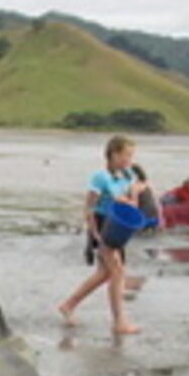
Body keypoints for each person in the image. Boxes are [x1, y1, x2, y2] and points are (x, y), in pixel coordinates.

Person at [58, 135, 143, 335]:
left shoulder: (128, 175)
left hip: (118, 226)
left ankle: (68, 305)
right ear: (113, 154)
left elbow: (133, 203)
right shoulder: (100, 177)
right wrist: (93, 232)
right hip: (102, 225)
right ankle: (119, 322)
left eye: (131, 155)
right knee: (118, 272)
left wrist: (134, 194)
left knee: (105, 273)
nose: (129, 159)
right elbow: (89, 206)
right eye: (125, 154)